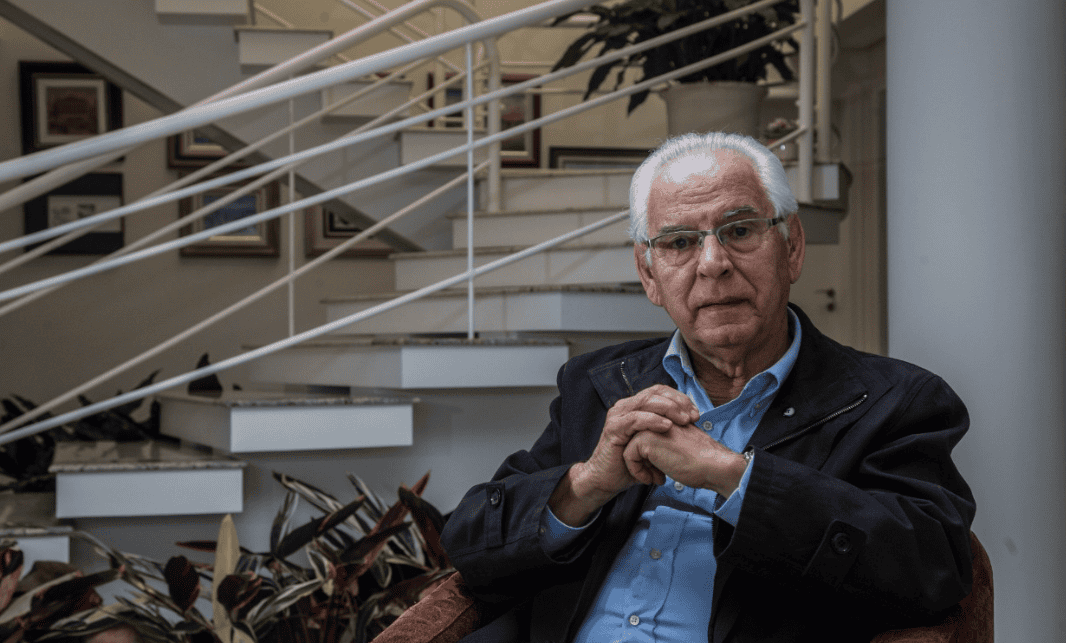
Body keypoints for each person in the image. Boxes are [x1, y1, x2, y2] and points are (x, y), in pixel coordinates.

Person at [439, 132, 976, 643]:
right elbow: (470, 544)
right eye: (679, 242)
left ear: (791, 247)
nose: (713, 264)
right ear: (649, 274)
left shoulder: (893, 400)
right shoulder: (598, 384)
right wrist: (586, 485)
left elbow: (934, 568)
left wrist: (733, 477)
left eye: (739, 231)